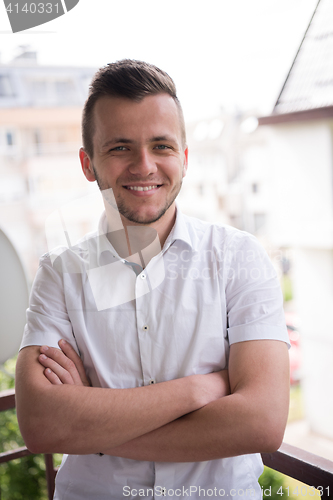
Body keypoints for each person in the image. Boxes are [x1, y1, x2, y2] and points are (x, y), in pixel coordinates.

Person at [15, 59, 290, 500]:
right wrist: (201, 388)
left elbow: (262, 422)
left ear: (183, 157)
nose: (144, 166)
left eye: (161, 146)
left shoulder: (240, 258)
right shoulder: (58, 271)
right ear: (88, 163)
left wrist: (89, 427)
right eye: (120, 148)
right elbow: (43, 425)